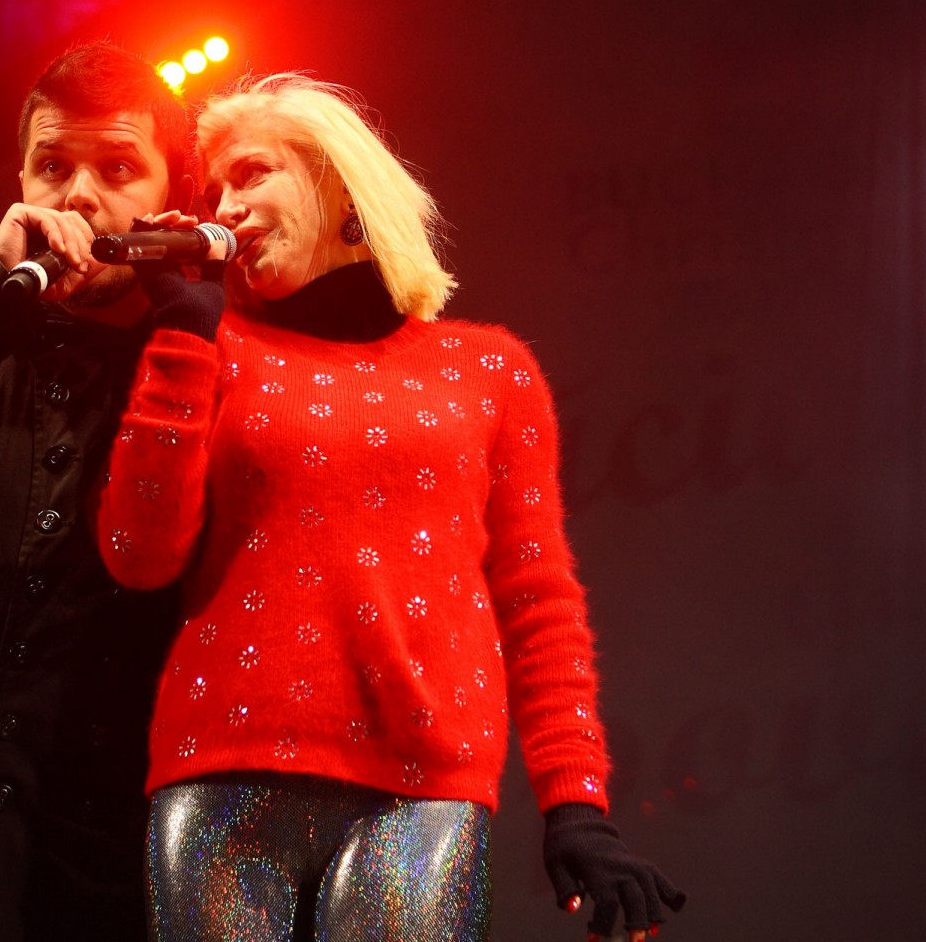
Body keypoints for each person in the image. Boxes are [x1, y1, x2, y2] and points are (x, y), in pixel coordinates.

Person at [96, 73, 686, 942]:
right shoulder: (214, 344)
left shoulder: (489, 371)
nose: (227, 207)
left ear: (341, 185)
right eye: (215, 191)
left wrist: (576, 804)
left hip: (423, 789)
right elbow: (137, 556)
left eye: (251, 173)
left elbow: (538, 601)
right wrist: (183, 341)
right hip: (222, 774)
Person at [0, 42, 193, 942]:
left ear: (172, 196)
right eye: (53, 167)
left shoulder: (202, 370)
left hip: (101, 863)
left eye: (119, 169)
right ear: (20, 182)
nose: (78, 197)